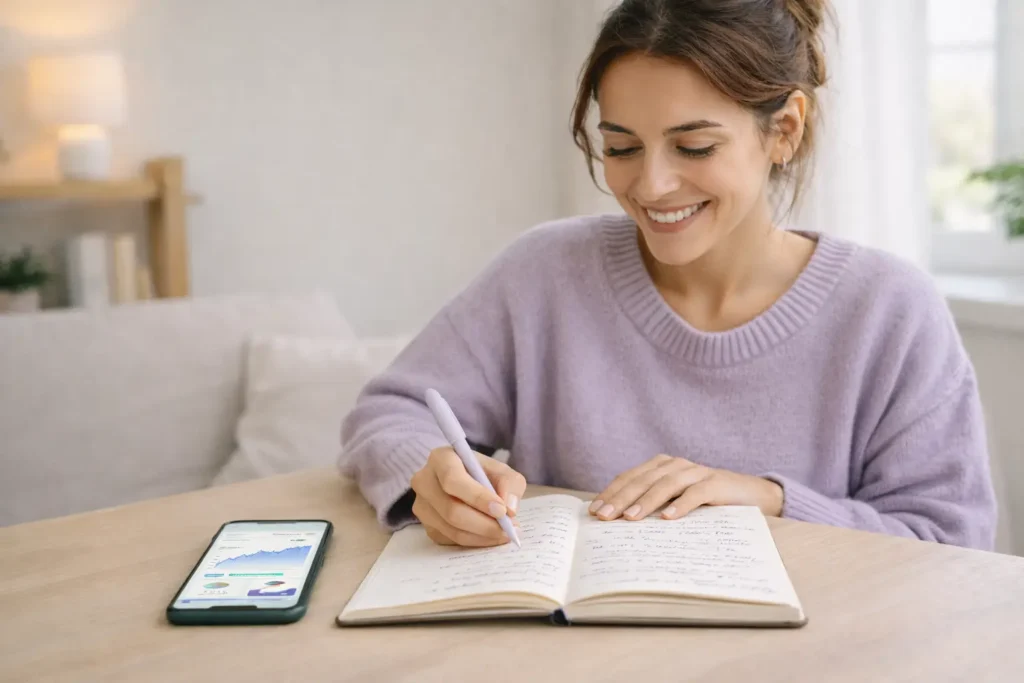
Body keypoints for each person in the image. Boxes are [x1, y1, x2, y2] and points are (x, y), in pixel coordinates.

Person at [339, 0, 997, 551]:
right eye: (621, 147)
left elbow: (952, 540)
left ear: (785, 130)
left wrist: (768, 501)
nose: (651, 185)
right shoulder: (545, 273)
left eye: (694, 146)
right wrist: (435, 474)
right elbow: (390, 411)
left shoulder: (890, 311)